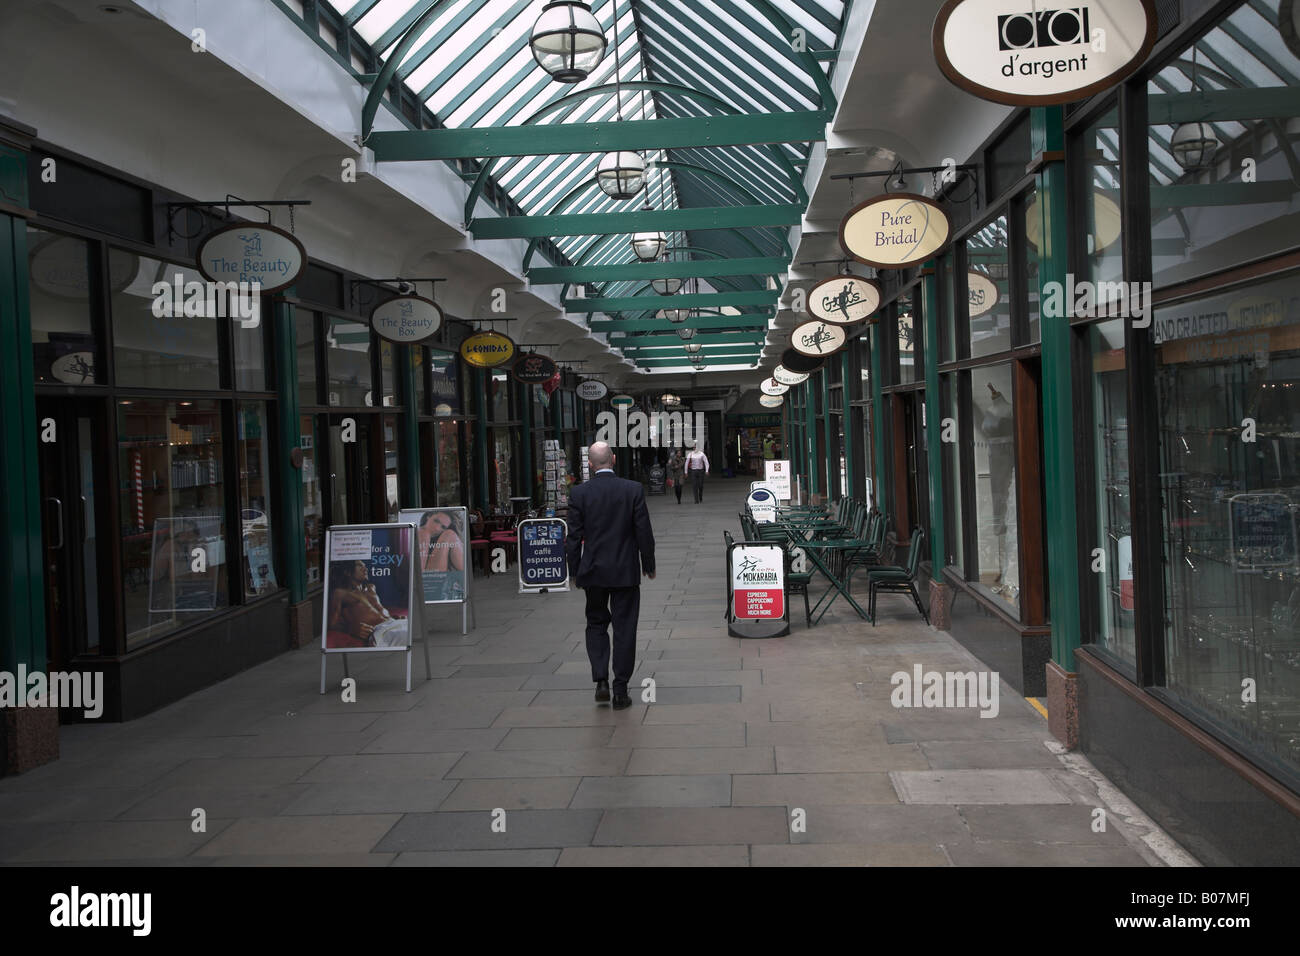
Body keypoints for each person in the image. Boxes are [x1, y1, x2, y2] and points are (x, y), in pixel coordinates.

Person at [565, 441, 655, 710]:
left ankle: (601, 680)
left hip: (593, 571)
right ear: (613, 459)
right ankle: (620, 689)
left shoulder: (579, 494)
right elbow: (643, 532)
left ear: (590, 464)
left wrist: (574, 571)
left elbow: (573, 537)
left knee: (595, 623)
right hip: (625, 571)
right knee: (625, 628)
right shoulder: (632, 490)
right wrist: (648, 565)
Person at [327, 560, 408, 648]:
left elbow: (376, 610)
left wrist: (392, 616)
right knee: (411, 637)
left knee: (421, 631)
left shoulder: (371, 588)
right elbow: (332, 624)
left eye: (365, 566)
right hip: (380, 631)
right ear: (347, 572)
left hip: (395, 622)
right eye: (360, 566)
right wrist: (351, 629)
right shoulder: (340, 593)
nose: (365, 569)